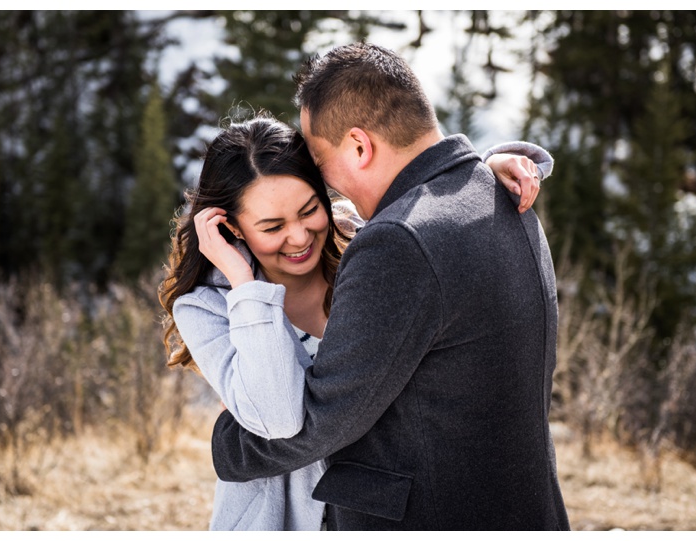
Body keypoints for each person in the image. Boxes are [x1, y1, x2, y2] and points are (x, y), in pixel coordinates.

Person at [208, 43, 570, 530]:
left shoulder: (398, 243)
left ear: (359, 146)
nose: (325, 184)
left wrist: (226, 444)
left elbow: (320, 418)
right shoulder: (500, 196)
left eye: (320, 160)